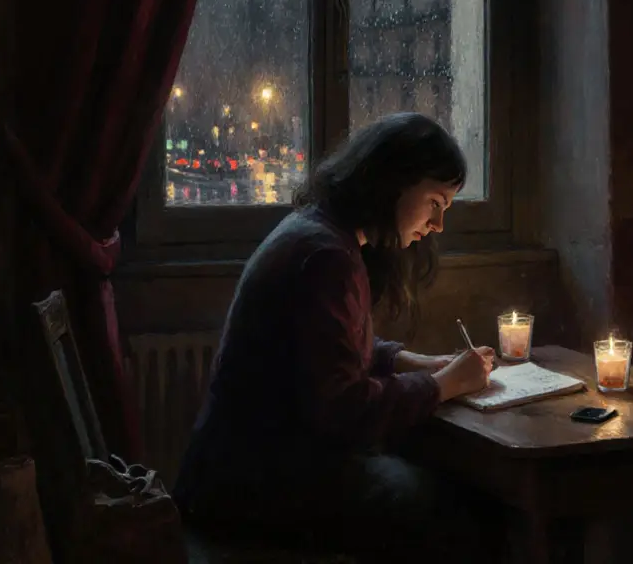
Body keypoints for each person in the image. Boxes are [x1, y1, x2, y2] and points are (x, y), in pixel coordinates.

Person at [173, 112, 497, 561]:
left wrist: (413, 362)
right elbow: (343, 408)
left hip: (239, 467)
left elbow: (328, 349)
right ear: (393, 182)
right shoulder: (326, 257)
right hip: (257, 483)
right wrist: (442, 384)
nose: (437, 224)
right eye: (435, 203)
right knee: (455, 510)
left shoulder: (320, 232)